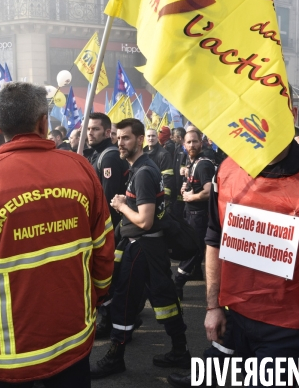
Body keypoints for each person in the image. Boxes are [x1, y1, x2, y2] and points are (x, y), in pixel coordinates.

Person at [0, 82, 114, 387]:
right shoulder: (81, 169)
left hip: (2, 358)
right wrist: (92, 301)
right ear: (43, 122)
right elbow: (103, 253)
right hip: (72, 341)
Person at [204, 138, 299, 385]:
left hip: (288, 328)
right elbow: (215, 238)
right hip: (236, 315)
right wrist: (213, 307)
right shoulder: (227, 169)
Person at [90, 119, 189, 379]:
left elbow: (144, 220)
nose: (119, 143)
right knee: (163, 296)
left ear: (140, 139)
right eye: (117, 137)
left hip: (143, 246)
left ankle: (115, 356)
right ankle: (180, 350)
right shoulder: (141, 168)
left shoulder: (144, 172)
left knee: (125, 301)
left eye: (126, 138)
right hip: (148, 246)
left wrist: (121, 206)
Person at [173, 129, 215, 299]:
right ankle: (195, 273)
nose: (192, 145)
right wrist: (186, 188)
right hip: (191, 214)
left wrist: (192, 196)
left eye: (195, 142)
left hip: (201, 215)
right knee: (194, 247)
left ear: (201, 142)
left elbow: (208, 191)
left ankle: (178, 282)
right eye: (189, 142)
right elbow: (194, 184)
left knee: (194, 249)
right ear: (184, 145)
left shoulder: (203, 164)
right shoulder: (192, 162)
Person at [84, 112, 129, 228]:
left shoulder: (109, 157)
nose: (90, 133)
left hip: (109, 224)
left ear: (107, 132)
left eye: (95, 129)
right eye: (88, 129)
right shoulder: (96, 153)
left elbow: (108, 197)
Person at [144, 128, 174, 210]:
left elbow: (167, 177)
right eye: (149, 136)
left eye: (153, 136)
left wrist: (165, 197)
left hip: (158, 194)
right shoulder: (142, 153)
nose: (151, 138)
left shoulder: (164, 154)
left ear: (157, 137)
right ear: (145, 138)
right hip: (144, 193)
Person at [170, 128, 188, 220]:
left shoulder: (188, 150)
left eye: (174, 137)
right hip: (176, 183)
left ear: (179, 137)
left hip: (184, 184)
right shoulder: (177, 148)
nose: (172, 139)